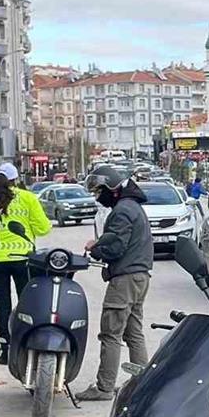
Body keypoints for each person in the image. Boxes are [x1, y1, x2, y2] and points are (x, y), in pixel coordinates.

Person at [75, 172, 152, 401]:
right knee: (133, 332)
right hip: (140, 277)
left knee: (111, 334)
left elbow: (116, 247)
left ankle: (104, 388)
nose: (98, 196)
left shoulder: (122, 211)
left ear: (112, 189)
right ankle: (142, 386)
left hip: (124, 280)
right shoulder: (133, 207)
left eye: (99, 191)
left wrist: (95, 248)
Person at [0, 162, 51, 365]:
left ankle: (5, 349)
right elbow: (43, 228)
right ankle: (26, 345)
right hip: (23, 259)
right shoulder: (28, 198)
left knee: (2, 304)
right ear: (16, 179)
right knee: (26, 303)